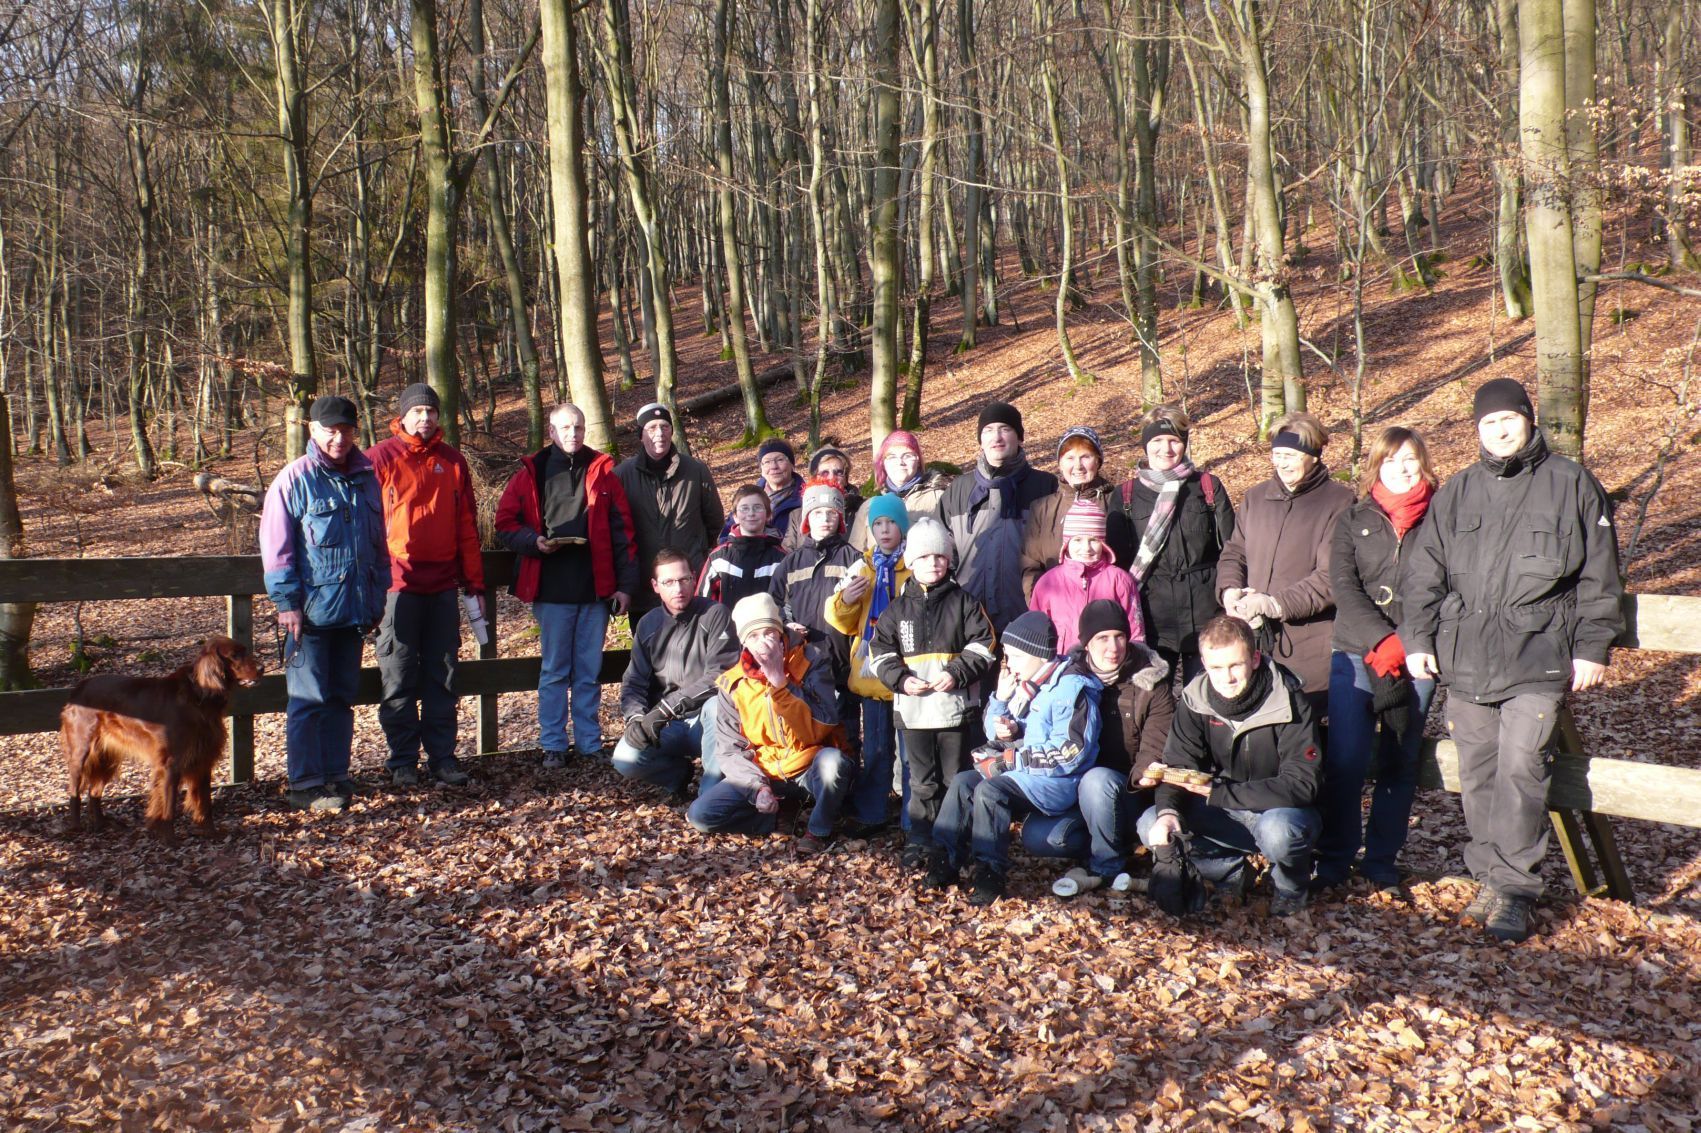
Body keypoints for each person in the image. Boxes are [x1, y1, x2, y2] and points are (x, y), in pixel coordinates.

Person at [1401, 378, 1624, 943]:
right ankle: (1489, 877)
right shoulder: (1459, 491)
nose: (1498, 431)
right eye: (1488, 423)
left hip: (1538, 654)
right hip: (1467, 656)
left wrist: (1592, 646)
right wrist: (1418, 640)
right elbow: (1425, 572)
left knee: (1523, 768)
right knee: (1477, 772)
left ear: (1528, 419)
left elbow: (1600, 575)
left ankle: (1516, 890)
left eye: (1507, 419)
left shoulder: (1570, 483)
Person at [1313, 426, 1441, 893]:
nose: (1401, 469)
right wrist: (1379, 639)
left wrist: (1405, 642)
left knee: (1398, 762)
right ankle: (1335, 857)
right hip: (1355, 650)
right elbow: (1344, 586)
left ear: (1422, 463)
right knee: (1345, 760)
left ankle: (1381, 859)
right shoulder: (1354, 517)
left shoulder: (1442, 517)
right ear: (1376, 467)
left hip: (1417, 657)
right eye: (1391, 461)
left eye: (1409, 459)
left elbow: (1446, 587)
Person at [1135, 615, 1323, 916]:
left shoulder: (1289, 699)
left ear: (1255, 659)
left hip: (1280, 811)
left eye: (1235, 665)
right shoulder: (1195, 699)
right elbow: (1179, 763)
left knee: (1279, 832)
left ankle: (1290, 886)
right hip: (1222, 808)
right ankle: (1230, 872)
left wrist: (1220, 792)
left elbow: (1302, 784)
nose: (1227, 678)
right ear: (1203, 664)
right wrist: (1168, 812)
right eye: (1216, 668)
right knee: (1151, 824)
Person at [260, 394, 390, 812]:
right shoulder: (294, 480)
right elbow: (278, 551)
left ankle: (336, 774)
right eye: (330, 431)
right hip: (310, 614)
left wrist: (377, 597)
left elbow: (378, 545)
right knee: (308, 701)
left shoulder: (366, 477)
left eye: (346, 430)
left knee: (341, 698)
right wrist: (287, 603)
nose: (339, 439)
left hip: (354, 611)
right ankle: (305, 783)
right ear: (313, 430)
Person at [926, 611, 1102, 906]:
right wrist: (1001, 702)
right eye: (1007, 655)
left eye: (1016, 656)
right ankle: (943, 862)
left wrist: (1011, 759)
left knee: (990, 791)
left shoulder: (1071, 689)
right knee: (963, 782)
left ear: (1039, 655)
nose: (1010, 664)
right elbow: (994, 733)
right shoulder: (1029, 684)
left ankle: (989, 875)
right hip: (1027, 771)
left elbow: (1070, 754)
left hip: (1058, 781)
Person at [495, 403, 638, 767]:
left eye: (578, 427)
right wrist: (534, 542)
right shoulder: (533, 471)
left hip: (595, 588)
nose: (573, 434)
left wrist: (625, 585)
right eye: (565, 427)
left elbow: (623, 532)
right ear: (552, 431)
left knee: (589, 671)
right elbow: (505, 523)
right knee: (555, 671)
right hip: (550, 588)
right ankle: (554, 745)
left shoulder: (602, 471)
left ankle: (589, 743)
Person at [364, 383, 485, 788]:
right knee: (397, 674)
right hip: (396, 587)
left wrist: (474, 582)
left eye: (431, 411)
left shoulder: (452, 461)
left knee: (443, 675)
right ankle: (402, 761)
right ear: (402, 416)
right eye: (417, 411)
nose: (425, 418)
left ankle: (443, 758)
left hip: (443, 586)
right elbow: (365, 528)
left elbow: (466, 525)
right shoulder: (379, 459)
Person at [869, 516, 999, 867]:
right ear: (910, 561)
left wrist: (956, 673)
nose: (933, 563)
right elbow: (879, 653)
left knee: (955, 780)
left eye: (940, 556)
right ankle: (921, 838)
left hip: (955, 711)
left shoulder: (965, 603)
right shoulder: (896, 610)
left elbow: (984, 645)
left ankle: (955, 840)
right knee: (921, 781)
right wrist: (901, 680)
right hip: (914, 714)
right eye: (925, 557)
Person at [687, 593, 855, 855]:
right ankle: (777, 817)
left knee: (834, 764)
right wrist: (758, 788)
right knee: (701, 815)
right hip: (766, 770)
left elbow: (821, 726)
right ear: (744, 642)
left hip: (810, 763)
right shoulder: (733, 682)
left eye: (768, 633)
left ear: (780, 633)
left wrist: (780, 684)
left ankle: (818, 830)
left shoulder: (812, 660)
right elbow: (731, 750)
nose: (763, 642)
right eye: (753, 636)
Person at [1026, 600, 1174, 896]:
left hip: (1131, 790)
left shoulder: (1151, 683)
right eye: (1102, 638)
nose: (1113, 647)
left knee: (1098, 779)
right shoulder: (1067, 679)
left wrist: (1145, 772)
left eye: (1119, 636)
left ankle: (1106, 866)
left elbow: (1157, 742)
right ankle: (1108, 842)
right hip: (1076, 792)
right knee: (1037, 837)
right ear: (1086, 643)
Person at [1216, 411, 1354, 712]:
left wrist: (1274, 604)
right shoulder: (1255, 499)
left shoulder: (1340, 502)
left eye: (1290, 455)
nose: (1282, 463)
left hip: (1310, 646)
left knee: (1306, 727)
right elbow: (1234, 551)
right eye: (1277, 455)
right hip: (1252, 639)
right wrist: (1230, 590)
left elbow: (1331, 576)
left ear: (1314, 456)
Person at [1117, 407, 1236, 682]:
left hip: (1207, 614)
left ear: (1184, 443)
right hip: (1152, 619)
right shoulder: (1125, 495)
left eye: (1174, 440)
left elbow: (1232, 549)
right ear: (1145, 445)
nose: (1166, 449)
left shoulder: (1207, 486)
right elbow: (1119, 565)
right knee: (1156, 697)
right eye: (1157, 441)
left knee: (1208, 693)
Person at [613, 549, 741, 799]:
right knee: (625, 759)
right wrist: (636, 719)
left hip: (706, 719)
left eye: (683, 579)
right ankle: (677, 774)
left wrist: (666, 708)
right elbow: (634, 681)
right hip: (667, 724)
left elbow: (720, 675)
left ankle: (710, 795)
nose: (678, 588)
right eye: (668, 582)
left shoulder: (715, 614)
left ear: (694, 578)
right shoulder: (648, 624)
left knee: (718, 705)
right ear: (655, 586)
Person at [824, 493, 911, 835]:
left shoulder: (914, 566)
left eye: (891, 523)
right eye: (878, 524)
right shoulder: (861, 567)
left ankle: (913, 818)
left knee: (910, 754)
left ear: (903, 526)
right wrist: (846, 599)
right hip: (871, 675)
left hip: (908, 675)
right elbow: (839, 620)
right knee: (876, 748)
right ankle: (872, 811)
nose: (885, 530)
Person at [937, 401, 1058, 633]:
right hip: (967, 622)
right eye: (988, 430)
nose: (997, 437)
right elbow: (940, 553)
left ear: (1019, 437)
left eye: (1005, 429)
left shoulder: (1045, 486)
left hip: (1028, 620)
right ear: (980, 440)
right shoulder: (959, 490)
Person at [614, 403, 724, 619]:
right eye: (652, 428)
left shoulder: (696, 471)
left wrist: (699, 554)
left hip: (689, 585)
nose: (659, 433)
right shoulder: (621, 475)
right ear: (640, 435)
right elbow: (616, 531)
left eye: (665, 427)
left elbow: (715, 522)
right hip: (644, 587)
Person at [769, 477, 861, 718]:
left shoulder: (854, 559)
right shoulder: (791, 562)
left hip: (844, 661)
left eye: (831, 513)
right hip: (803, 662)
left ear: (840, 519)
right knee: (811, 724)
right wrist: (787, 626)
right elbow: (774, 604)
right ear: (807, 519)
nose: (824, 519)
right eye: (817, 513)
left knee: (847, 728)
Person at [1021, 426, 1132, 598]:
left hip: (1107, 605)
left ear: (1098, 461)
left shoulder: (1118, 502)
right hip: (1056, 605)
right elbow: (1031, 564)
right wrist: (1038, 603)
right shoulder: (1042, 508)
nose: (1078, 466)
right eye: (1070, 458)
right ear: (1060, 463)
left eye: (1085, 457)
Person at [1030, 500, 1144, 654]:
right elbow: (1035, 631)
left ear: (1103, 543)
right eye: (1077, 540)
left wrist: (1133, 661)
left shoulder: (1120, 580)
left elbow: (1135, 630)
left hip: (1108, 662)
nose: (1086, 548)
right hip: (1062, 663)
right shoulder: (1048, 582)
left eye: (1093, 540)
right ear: (1067, 543)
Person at [847, 428, 951, 549]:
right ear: (883, 463)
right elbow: (855, 553)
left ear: (918, 460)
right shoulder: (869, 506)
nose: (900, 462)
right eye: (892, 457)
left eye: (907, 456)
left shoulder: (939, 498)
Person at [698, 485, 787, 608]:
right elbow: (702, 602)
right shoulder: (719, 558)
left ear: (768, 515)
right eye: (744, 508)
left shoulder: (781, 559)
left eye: (757, 507)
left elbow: (788, 602)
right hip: (728, 620)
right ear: (735, 516)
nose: (751, 513)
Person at [783, 445, 864, 552]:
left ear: (845, 478)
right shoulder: (797, 516)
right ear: (814, 478)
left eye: (838, 472)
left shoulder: (862, 510)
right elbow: (787, 554)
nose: (831, 477)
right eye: (824, 473)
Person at [721, 438, 804, 541]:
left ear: (792, 464)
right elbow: (725, 537)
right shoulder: (747, 496)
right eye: (767, 462)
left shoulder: (806, 498)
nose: (773, 466)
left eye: (780, 460)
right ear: (761, 469)